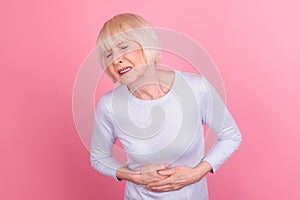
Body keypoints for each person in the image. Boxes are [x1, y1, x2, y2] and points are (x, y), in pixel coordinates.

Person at [90, 13, 242, 200]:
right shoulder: (109, 106)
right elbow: (98, 157)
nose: (116, 60)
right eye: (108, 55)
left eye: (123, 48)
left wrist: (197, 173)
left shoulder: (196, 88)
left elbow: (231, 136)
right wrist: (135, 177)